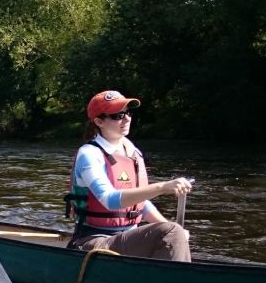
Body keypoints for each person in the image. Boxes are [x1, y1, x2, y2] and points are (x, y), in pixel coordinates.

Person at [64, 90, 192, 262]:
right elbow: (110, 200)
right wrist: (162, 187)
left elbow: (141, 203)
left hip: (126, 237)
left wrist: (171, 228)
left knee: (173, 231)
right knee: (171, 232)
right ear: (99, 121)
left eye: (128, 113)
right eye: (118, 115)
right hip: (94, 241)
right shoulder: (89, 155)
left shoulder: (131, 151)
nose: (126, 119)